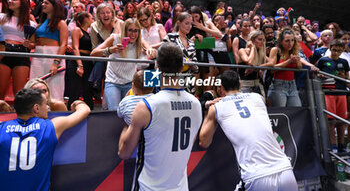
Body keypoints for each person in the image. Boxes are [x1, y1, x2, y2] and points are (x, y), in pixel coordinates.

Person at [118, 42, 202, 191]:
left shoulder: (146, 106)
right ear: (182, 67)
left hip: (149, 187)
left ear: (156, 66)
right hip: (180, 187)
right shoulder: (196, 104)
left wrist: (127, 124)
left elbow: (124, 153)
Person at [199, 70, 298, 191]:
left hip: (256, 174)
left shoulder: (216, 107)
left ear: (221, 88)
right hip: (285, 169)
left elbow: (204, 142)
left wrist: (208, 112)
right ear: (240, 85)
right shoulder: (258, 97)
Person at [0, 88, 90, 190]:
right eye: (45, 104)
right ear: (36, 108)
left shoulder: (1, 127)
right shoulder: (51, 126)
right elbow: (85, 110)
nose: (48, 107)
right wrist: (78, 103)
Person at [90, 18, 156, 110]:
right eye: (130, 30)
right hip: (113, 81)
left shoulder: (140, 41)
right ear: (125, 30)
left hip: (130, 83)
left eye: (136, 31)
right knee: (114, 111)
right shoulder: (115, 38)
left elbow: (151, 50)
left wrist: (150, 51)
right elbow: (93, 53)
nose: (133, 34)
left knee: (129, 111)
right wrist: (110, 50)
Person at [28, 0, 68, 101]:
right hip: (38, 55)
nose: (43, 5)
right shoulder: (41, 23)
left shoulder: (61, 23)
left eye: (46, 3)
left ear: (54, 6)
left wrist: (56, 62)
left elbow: (64, 44)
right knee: (36, 84)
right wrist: (29, 44)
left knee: (54, 87)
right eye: (43, 2)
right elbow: (34, 43)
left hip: (53, 55)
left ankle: (54, 112)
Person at [0, 0, 36, 99]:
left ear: (22, 4)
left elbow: (33, 43)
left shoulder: (31, 24)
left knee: (19, 92)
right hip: (3, 51)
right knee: (1, 90)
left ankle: (19, 114)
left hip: (22, 53)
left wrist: (29, 45)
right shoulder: (1, 17)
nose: (10, 1)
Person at [317, 39, 349, 153]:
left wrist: (343, 76)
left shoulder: (344, 62)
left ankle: (341, 145)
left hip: (341, 93)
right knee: (331, 120)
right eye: (334, 50)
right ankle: (333, 144)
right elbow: (316, 75)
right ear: (330, 48)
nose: (336, 53)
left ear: (342, 51)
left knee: (342, 120)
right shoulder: (322, 60)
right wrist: (321, 75)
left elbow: (347, 80)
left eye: (339, 51)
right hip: (328, 92)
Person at [267, 27, 302, 107]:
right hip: (278, 85)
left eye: (292, 40)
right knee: (281, 111)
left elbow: (299, 68)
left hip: (292, 85)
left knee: (296, 109)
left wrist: (297, 62)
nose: (290, 43)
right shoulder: (275, 50)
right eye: (287, 41)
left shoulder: (294, 51)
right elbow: (272, 69)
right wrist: (289, 61)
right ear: (281, 41)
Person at [66, 12, 94, 110]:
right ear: (85, 19)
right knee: (74, 90)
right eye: (91, 18)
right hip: (78, 61)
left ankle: (90, 115)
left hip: (88, 61)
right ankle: (70, 115)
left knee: (88, 90)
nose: (93, 19)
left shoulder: (90, 32)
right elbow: (75, 48)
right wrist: (80, 65)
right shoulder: (77, 30)